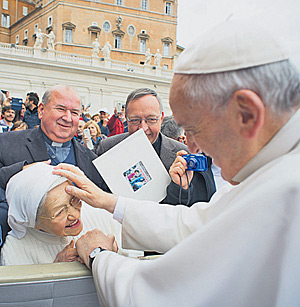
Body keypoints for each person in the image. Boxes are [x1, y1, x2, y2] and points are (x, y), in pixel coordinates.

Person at [54, 20, 300, 306]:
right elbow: (196, 224)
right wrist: (109, 202)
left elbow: (162, 297)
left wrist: (98, 256)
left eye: (193, 129)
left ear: (246, 114)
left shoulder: (285, 192)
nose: (194, 146)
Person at [0, 85, 105, 249]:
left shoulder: (92, 161)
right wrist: (19, 172)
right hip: (25, 251)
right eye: (61, 109)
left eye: (75, 113)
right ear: (41, 110)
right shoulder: (5, 144)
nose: (68, 117)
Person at [96, 88, 215, 206]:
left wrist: (181, 188)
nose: (142, 128)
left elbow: (194, 206)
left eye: (151, 120)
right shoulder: (107, 148)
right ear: (126, 118)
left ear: (161, 118)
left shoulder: (183, 154)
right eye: (134, 120)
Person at [1, 163, 119, 265]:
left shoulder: (100, 213)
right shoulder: (14, 251)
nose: (75, 215)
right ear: (35, 223)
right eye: (59, 212)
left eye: (74, 199)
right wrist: (57, 271)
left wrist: (113, 253)